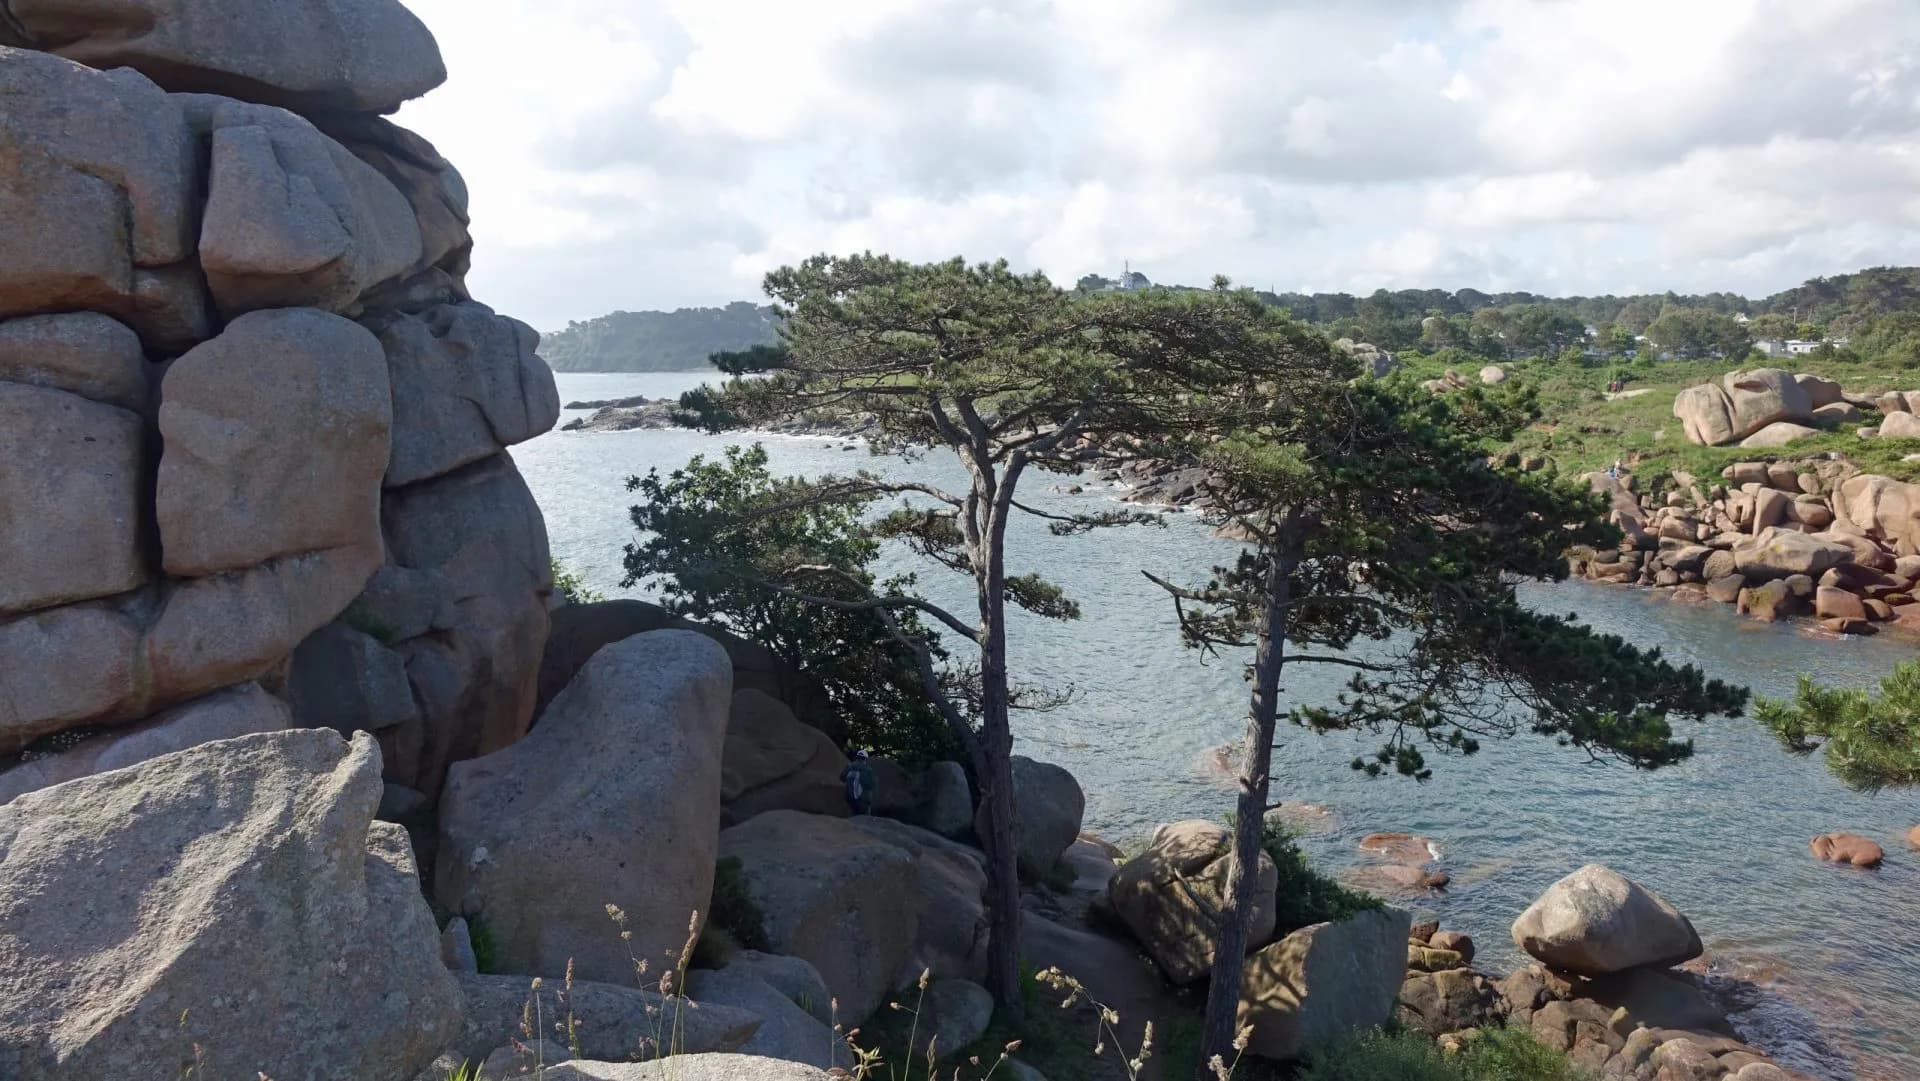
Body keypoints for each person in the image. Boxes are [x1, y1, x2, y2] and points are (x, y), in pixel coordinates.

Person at [841, 749, 877, 816]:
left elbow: (842, 778)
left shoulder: (849, 766)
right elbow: (872, 784)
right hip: (863, 801)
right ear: (865, 759)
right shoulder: (868, 769)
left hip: (849, 799)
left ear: (857, 757)